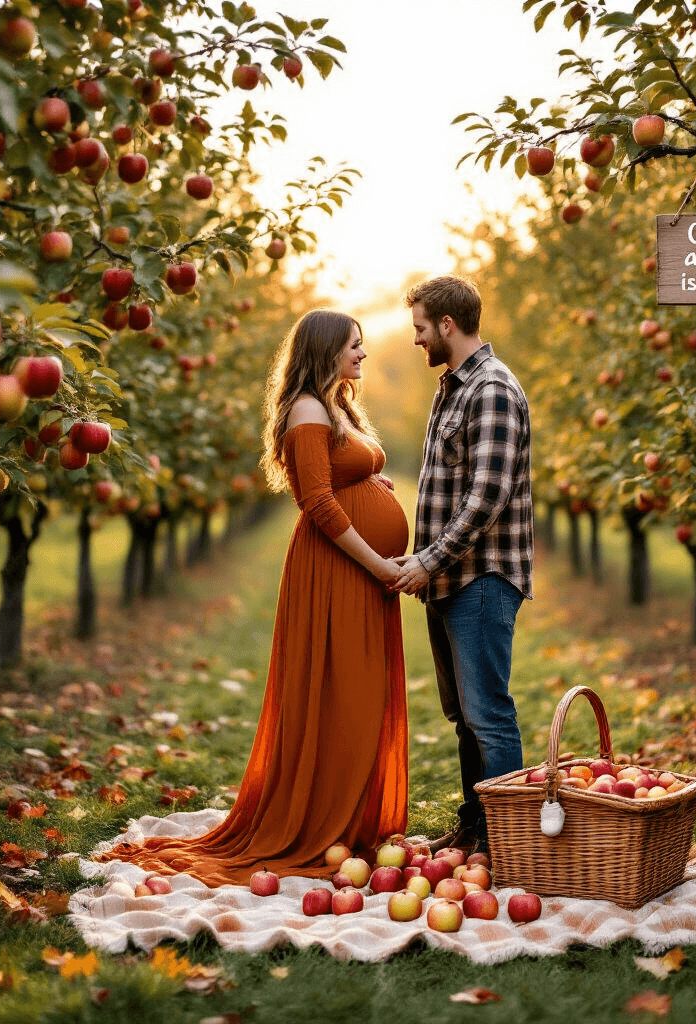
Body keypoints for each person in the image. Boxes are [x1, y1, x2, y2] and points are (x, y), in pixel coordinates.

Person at [96, 309, 409, 887]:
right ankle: (321, 823)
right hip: (339, 573)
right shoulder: (309, 409)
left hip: (361, 575)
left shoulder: (336, 405)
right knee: (341, 697)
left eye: (363, 345)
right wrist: (378, 564)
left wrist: (370, 484)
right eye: (354, 346)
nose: (363, 354)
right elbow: (315, 503)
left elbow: (334, 479)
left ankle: (348, 820)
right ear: (325, 351)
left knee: (360, 695)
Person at [393, 276, 533, 856]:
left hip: (479, 579)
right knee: (465, 718)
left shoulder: (492, 389)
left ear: (448, 325)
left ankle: (510, 846)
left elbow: (486, 497)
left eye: (421, 328)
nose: (417, 340)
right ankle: (478, 829)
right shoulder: (453, 386)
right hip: (449, 581)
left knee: (489, 716)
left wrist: (428, 559)